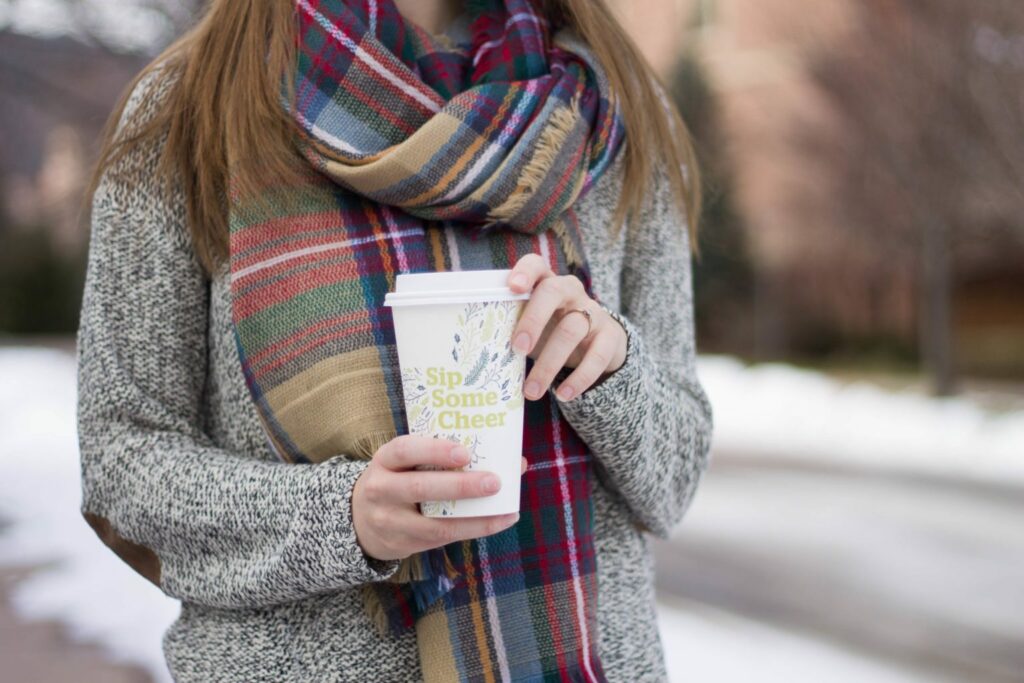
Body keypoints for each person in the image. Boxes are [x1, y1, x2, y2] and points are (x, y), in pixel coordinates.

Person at [76, 0, 714, 680]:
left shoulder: (610, 107)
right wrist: (343, 520)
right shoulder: (191, 105)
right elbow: (122, 463)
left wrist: (610, 366)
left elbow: (674, 479)